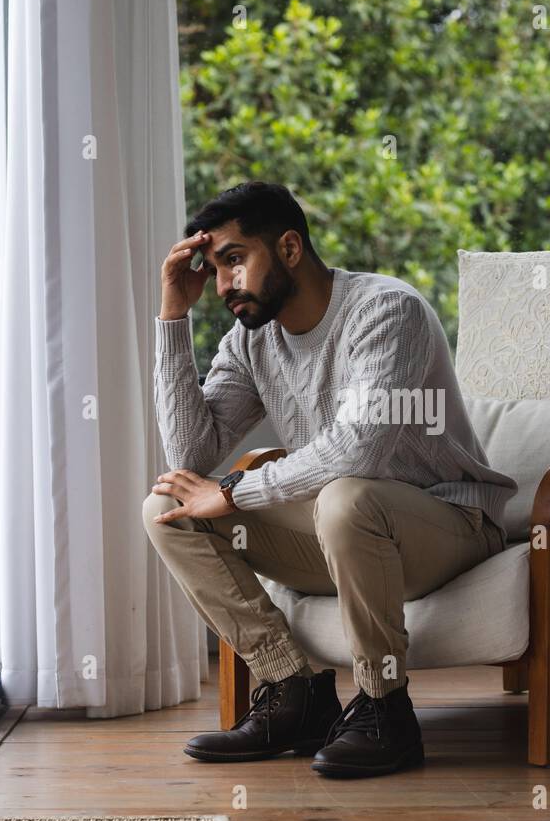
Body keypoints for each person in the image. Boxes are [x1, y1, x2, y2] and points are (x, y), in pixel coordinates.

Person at [143, 181, 515, 777]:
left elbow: (358, 449)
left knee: (346, 498)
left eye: (235, 260)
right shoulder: (250, 341)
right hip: (343, 532)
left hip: (450, 525)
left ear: (289, 248)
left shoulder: (387, 311)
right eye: (213, 269)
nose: (222, 285)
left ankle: (385, 708)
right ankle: (295, 692)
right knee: (167, 506)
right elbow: (190, 451)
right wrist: (172, 317)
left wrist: (236, 490)